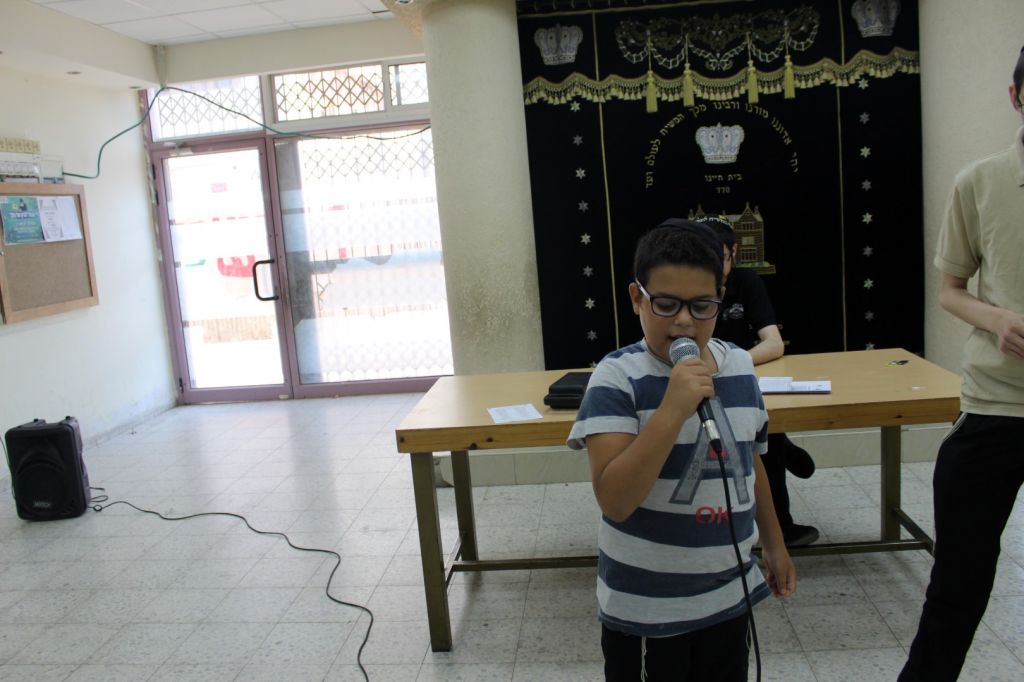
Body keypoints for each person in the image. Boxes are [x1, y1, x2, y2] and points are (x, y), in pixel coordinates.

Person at [568, 219, 796, 682]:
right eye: (666, 304)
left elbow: (749, 461)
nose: (685, 321)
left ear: (721, 298)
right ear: (637, 299)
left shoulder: (739, 366)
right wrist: (672, 409)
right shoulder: (616, 378)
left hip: (728, 595)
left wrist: (774, 543)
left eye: (702, 305)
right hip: (647, 607)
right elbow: (615, 499)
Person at [898, 48, 1024, 682]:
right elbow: (950, 290)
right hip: (996, 405)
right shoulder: (980, 181)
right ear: (1016, 96)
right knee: (959, 580)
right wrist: (998, 319)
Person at [696, 215, 820, 548]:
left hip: (738, 375)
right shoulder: (689, 284)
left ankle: (781, 527)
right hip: (696, 377)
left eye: (720, 257)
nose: (713, 266)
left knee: (768, 437)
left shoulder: (746, 282)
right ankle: (781, 444)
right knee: (760, 437)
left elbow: (774, 343)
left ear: (734, 253)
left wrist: (731, 364)